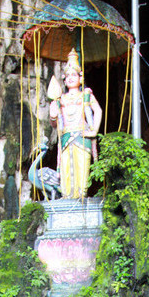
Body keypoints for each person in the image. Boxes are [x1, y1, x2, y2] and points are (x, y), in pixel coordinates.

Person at [49, 48, 102, 199]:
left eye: (74, 75)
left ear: (81, 78)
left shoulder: (86, 95)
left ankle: (81, 198)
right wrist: (53, 116)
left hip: (82, 136)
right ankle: (67, 198)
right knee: (66, 170)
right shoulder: (61, 99)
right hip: (66, 138)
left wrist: (94, 131)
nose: (71, 78)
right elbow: (55, 123)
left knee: (82, 169)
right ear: (64, 80)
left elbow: (98, 111)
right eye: (68, 76)